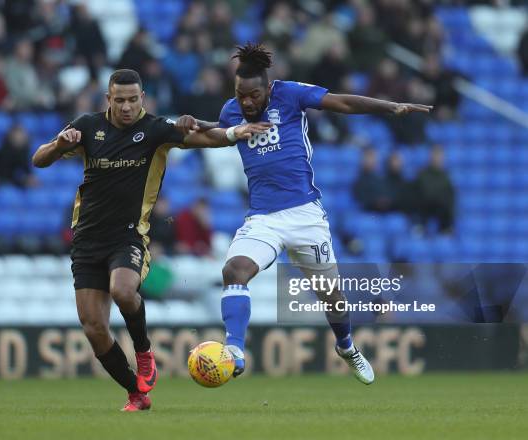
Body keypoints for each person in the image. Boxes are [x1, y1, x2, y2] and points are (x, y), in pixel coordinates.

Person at [176, 43, 432, 385]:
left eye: (253, 95)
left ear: (268, 89)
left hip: (305, 215)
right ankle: (235, 349)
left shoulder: (290, 94)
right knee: (234, 270)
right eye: (241, 95)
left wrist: (391, 107)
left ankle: (346, 346)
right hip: (263, 217)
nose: (247, 102)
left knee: (332, 296)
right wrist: (194, 124)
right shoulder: (232, 111)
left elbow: (341, 102)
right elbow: (221, 131)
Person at [32, 69, 269, 412]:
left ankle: (144, 352)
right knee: (94, 328)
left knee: (123, 290)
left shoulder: (156, 129)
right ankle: (136, 393)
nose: (126, 107)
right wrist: (58, 145)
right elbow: (38, 160)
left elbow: (207, 138)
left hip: (128, 235)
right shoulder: (87, 125)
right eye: (119, 100)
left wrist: (235, 132)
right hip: (86, 239)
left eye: (132, 100)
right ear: (108, 100)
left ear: (142, 98)